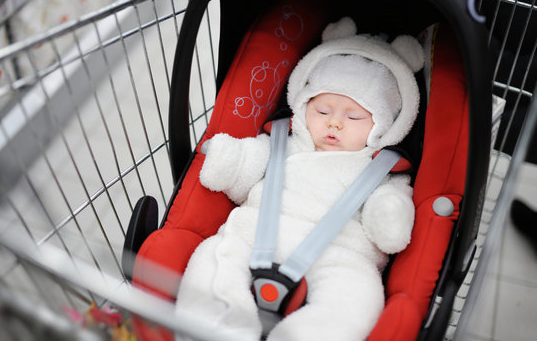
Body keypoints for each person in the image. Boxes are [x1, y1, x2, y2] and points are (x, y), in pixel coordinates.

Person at [174, 17, 424, 341]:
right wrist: (231, 160)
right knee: (212, 259)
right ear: (303, 105)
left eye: (354, 117)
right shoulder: (282, 143)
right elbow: (250, 163)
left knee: (357, 298)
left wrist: (389, 213)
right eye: (322, 111)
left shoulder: (381, 171)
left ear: (386, 125)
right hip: (254, 234)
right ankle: (219, 330)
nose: (334, 123)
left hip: (340, 255)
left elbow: (388, 214)